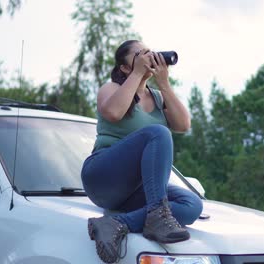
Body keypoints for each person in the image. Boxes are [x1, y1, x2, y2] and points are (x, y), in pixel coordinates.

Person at [81, 40, 203, 263]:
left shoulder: (157, 97)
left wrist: (164, 84)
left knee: (192, 205)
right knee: (158, 133)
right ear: (125, 68)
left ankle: (117, 224)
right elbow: (113, 112)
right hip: (102, 177)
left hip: (135, 191)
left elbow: (184, 125)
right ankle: (157, 215)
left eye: (148, 51)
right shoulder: (111, 89)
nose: (147, 56)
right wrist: (137, 75)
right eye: (139, 54)